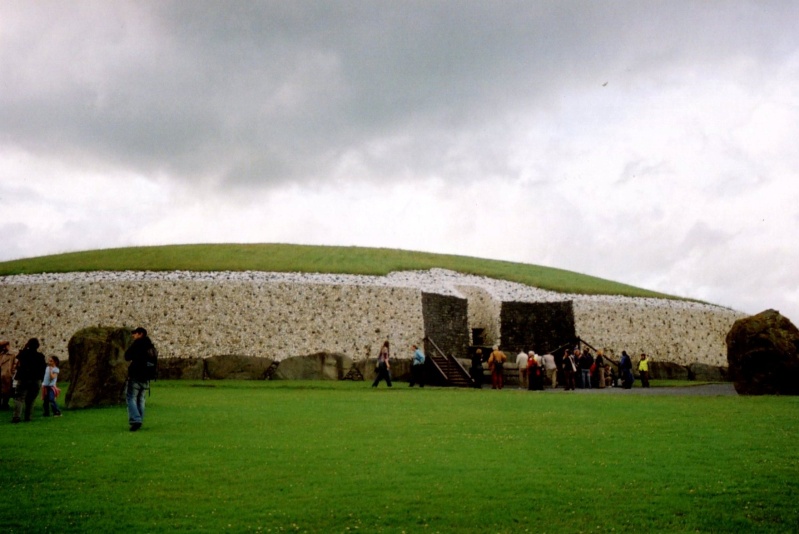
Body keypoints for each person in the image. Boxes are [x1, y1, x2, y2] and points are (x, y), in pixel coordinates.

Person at [125, 327, 157, 431]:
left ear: (140, 334)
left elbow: (127, 356)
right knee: (141, 399)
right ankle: (140, 419)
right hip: (147, 376)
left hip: (136, 374)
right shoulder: (150, 346)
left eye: (135, 334)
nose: (133, 336)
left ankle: (136, 419)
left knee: (131, 397)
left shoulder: (138, 344)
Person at [11, 338, 47, 423]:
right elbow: (43, 368)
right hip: (35, 379)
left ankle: (16, 417)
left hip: (23, 378)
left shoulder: (24, 354)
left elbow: (18, 356)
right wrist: (40, 378)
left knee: (19, 398)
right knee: (31, 399)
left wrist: (25, 347)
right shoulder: (40, 356)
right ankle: (28, 417)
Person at [0, 340, 15, 410]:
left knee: (6, 391)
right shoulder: (1, 354)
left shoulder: (12, 355)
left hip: (6, 375)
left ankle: (5, 404)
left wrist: (12, 372)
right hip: (2, 374)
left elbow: (14, 364)